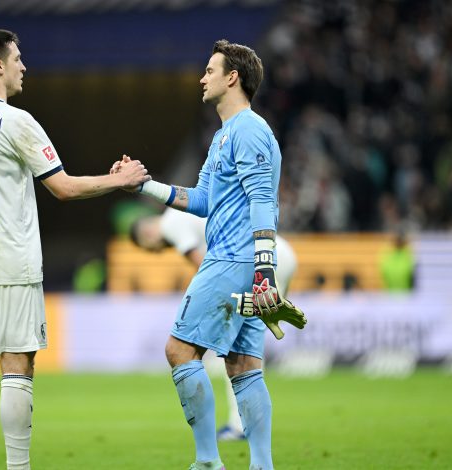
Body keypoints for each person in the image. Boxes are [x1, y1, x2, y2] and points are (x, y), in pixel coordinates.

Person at [0, 29, 150, 470]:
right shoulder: (17, 121)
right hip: (11, 261)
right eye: (18, 58)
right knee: (17, 364)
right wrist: (119, 180)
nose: (25, 66)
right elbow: (62, 187)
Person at [113, 40, 306, 470]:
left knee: (179, 352)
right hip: (239, 261)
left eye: (209, 70)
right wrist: (143, 184)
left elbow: (262, 202)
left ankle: (206, 461)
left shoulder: (250, 129)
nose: (202, 78)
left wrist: (263, 270)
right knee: (243, 366)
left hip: (233, 260)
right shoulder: (224, 135)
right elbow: (201, 200)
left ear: (231, 77)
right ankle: (261, 465)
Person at [128, 207, 298, 442]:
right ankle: (249, 422)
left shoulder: (170, 224)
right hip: (277, 252)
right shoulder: (182, 213)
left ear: (147, 234)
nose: (158, 253)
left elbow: (205, 269)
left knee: (239, 348)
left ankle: (242, 426)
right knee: (247, 344)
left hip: (260, 261)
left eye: (152, 250)